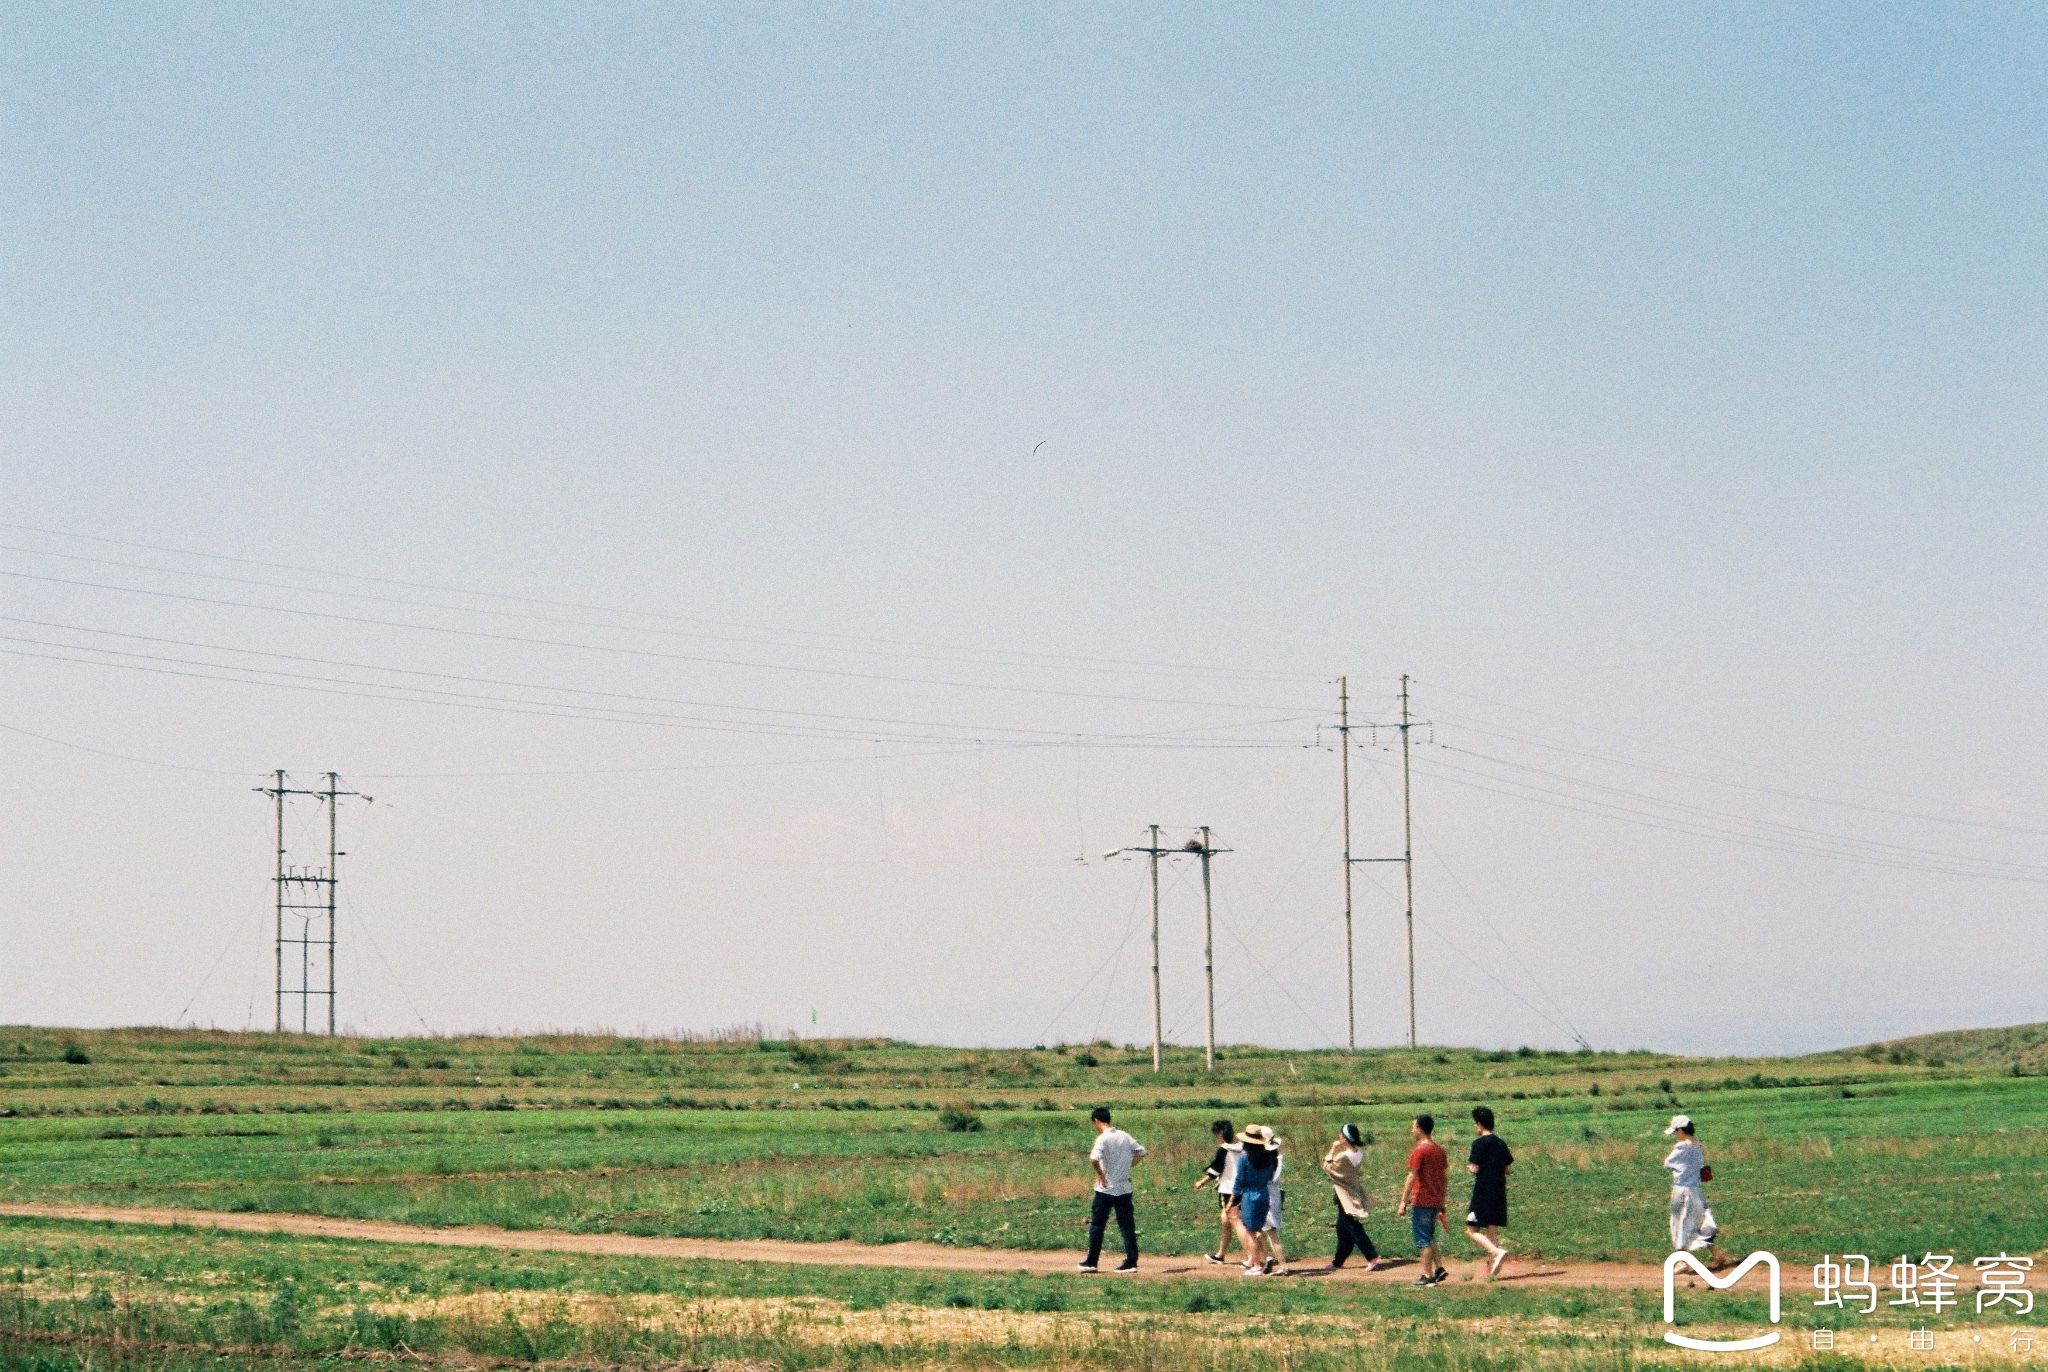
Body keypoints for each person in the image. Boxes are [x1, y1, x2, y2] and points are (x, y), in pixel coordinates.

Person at [1078, 1106, 1146, 1273]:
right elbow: (1142, 1152)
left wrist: (1101, 1175)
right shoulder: (1124, 1135)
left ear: (1096, 1121)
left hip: (1106, 1189)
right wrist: (1128, 1166)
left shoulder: (1102, 1139)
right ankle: (1131, 1262)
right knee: (1127, 1225)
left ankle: (1091, 1262)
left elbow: (1094, 1158)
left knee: (1097, 1225)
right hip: (1124, 1188)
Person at [1662, 1114, 1723, 1267]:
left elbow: (1667, 1163)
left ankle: (1682, 1261)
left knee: (1680, 1224)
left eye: (1676, 1131)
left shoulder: (1681, 1147)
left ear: (1681, 1130)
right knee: (1698, 1222)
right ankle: (1716, 1254)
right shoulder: (1698, 1145)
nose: (1675, 1135)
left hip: (1682, 1190)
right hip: (1695, 1190)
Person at [1395, 1114, 1449, 1286]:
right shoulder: (1439, 1150)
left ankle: (1427, 1276)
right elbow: (1444, 1177)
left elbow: (1412, 1176)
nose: (1412, 1130)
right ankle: (1439, 1268)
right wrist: (1442, 1200)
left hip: (1422, 1200)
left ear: (1419, 1128)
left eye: (1413, 1126)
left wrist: (1403, 1201)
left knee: (1423, 1239)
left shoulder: (1420, 1150)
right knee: (1430, 1235)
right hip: (1435, 1200)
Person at [1323, 1123, 1381, 1270]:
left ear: (1345, 1138)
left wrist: (1333, 1148)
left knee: (1352, 1226)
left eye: (1341, 1134)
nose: (1339, 1136)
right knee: (1342, 1229)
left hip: (1344, 1194)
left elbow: (1327, 1166)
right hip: (1353, 1190)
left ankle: (1371, 1256)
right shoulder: (1358, 1153)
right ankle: (1338, 1261)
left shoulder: (1343, 1156)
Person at [1464, 1105, 1513, 1278]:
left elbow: (1474, 1168)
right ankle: (1493, 1270)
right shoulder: (1500, 1143)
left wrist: (1471, 1167)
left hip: (1483, 1191)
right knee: (1491, 1229)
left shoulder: (1478, 1144)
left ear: (1479, 1124)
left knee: (1471, 1230)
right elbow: (1508, 1169)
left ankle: (1495, 1252)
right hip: (1499, 1191)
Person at [1230, 1123, 1281, 1276]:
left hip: (1250, 1195)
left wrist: (1233, 1199)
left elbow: (1239, 1180)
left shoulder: (1245, 1158)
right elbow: (1271, 1176)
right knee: (1258, 1229)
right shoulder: (1269, 1156)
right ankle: (1266, 1257)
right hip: (1264, 1193)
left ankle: (1256, 1265)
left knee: (1251, 1231)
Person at [1194, 1118, 1243, 1265]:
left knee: (1234, 1222)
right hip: (1242, 1188)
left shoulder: (1224, 1150)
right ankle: (1220, 1254)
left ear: (1220, 1134)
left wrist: (1201, 1182)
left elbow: (1215, 1169)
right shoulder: (1241, 1147)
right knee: (1228, 1221)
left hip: (1228, 1189)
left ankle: (1255, 1257)